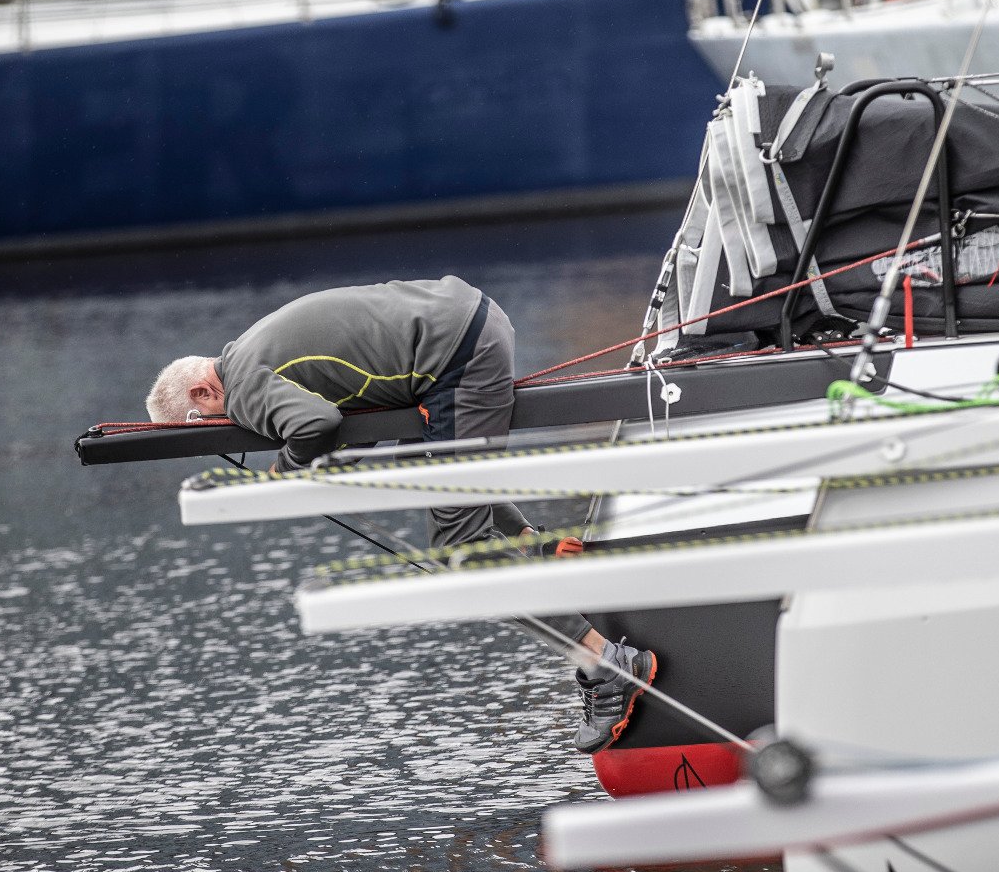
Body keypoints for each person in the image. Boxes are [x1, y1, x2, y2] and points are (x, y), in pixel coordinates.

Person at [145, 275, 658, 754]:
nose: (220, 426)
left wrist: (284, 472)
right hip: (467, 321)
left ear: (200, 394)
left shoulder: (243, 386)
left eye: (201, 424)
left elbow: (312, 424)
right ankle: (535, 545)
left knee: (463, 554)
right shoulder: (252, 347)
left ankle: (607, 664)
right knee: (426, 467)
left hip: (457, 355)